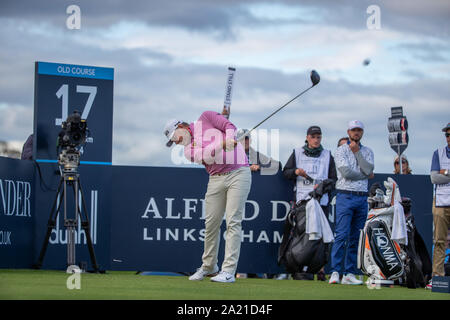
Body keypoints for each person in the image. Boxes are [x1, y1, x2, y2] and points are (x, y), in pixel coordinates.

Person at [163, 111, 251, 283]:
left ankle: (228, 271)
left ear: (182, 127)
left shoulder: (206, 117)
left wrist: (230, 138)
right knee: (211, 224)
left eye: (176, 138)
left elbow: (229, 126)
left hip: (239, 172)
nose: (177, 143)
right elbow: (206, 157)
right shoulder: (188, 151)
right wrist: (222, 144)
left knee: (233, 221)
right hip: (216, 179)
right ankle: (209, 266)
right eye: (174, 142)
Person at [282, 125, 337, 281]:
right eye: (313, 137)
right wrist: (296, 172)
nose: (316, 139)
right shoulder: (297, 152)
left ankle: (319, 269)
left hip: (321, 203)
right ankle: (298, 267)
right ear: (307, 137)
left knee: (320, 238)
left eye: (318, 137)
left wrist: (322, 187)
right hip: (302, 203)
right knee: (301, 235)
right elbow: (286, 172)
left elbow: (334, 179)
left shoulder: (327, 155)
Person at [329, 120, 374, 285]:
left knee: (356, 236)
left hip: (362, 196)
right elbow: (346, 173)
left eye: (359, 130)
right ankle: (335, 271)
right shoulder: (340, 150)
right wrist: (364, 173)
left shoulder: (367, 151)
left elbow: (369, 169)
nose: (356, 133)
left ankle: (349, 273)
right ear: (348, 132)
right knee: (341, 234)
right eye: (353, 130)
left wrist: (357, 154)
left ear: (362, 132)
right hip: (345, 195)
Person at [427, 122, 450, 289]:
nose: (449, 138)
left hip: (442, 200)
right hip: (441, 202)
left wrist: (445, 172)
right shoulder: (438, 153)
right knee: (440, 241)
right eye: (447, 135)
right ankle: (438, 278)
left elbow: (440, 174)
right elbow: (434, 178)